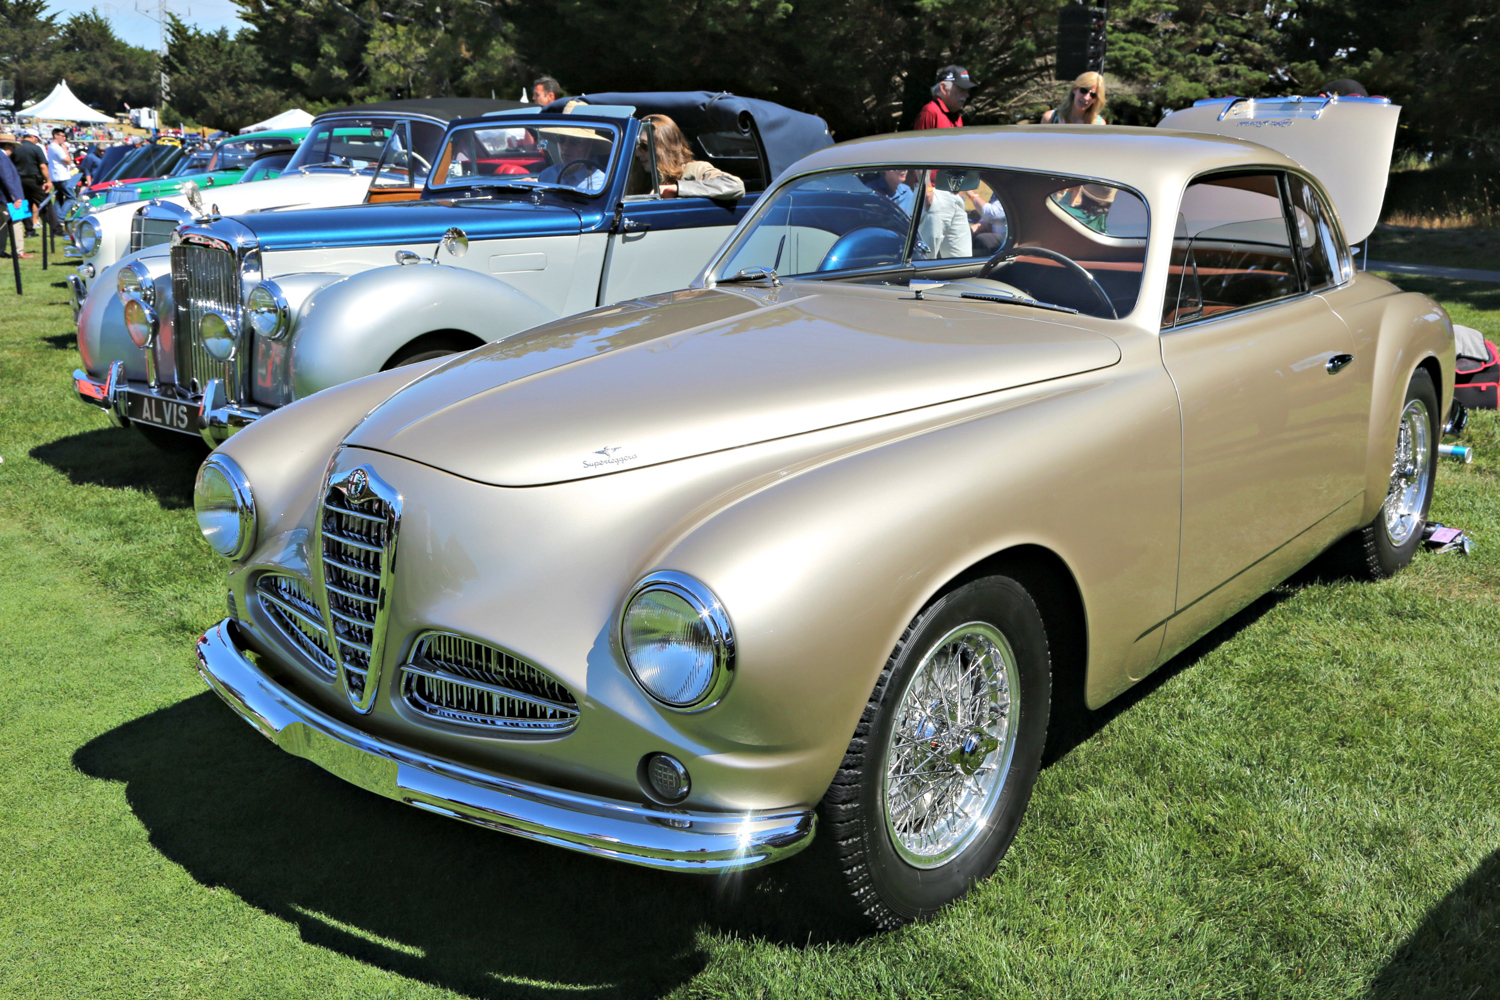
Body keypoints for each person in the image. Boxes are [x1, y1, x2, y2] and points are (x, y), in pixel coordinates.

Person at [636, 114, 745, 200]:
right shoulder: (639, 178)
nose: (638, 153)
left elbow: (735, 185)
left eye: (644, 146)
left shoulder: (695, 169)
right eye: (636, 147)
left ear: (665, 147)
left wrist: (677, 189)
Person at [10, 131, 51, 237]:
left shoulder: (15, 148)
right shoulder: (36, 148)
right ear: (33, 137)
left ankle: (29, 231)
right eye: (37, 138)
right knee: (45, 203)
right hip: (34, 179)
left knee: (24, 205)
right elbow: (43, 166)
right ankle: (56, 229)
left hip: (19, 180)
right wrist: (48, 180)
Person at [0, 131, 32, 257]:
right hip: (7, 198)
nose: (13, 150)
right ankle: (18, 251)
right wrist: (16, 198)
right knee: (16, 223)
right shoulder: (2, 158)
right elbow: (7, 179)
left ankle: (1, 250)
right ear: (7, 146)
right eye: (13, 147)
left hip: (2, 198)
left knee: (2, 225)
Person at [914, 65, 975, 130]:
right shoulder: (930, 112)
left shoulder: (955, 115)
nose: (967, 95)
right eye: (961, 89)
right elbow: (921, 140)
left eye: (967, 90)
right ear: (943, 88)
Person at [1041, 71, 1107, 124]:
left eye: (1093, 95)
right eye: (1083, 91)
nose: (1086, 98)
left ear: (1096, 100)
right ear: (1074, 89)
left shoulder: (1099, 125)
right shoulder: (1050, 118)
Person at [47, 127, 79, 216]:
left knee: (59, 198)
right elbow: (68, 161)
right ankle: (60, 217)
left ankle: (57, 219)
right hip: (62, 176)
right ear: (55, 136)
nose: (64, 138)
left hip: (55, 176)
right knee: (71, 198)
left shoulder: (51, 146)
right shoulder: (57, 147)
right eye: (62, 136)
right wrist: (65, 149)